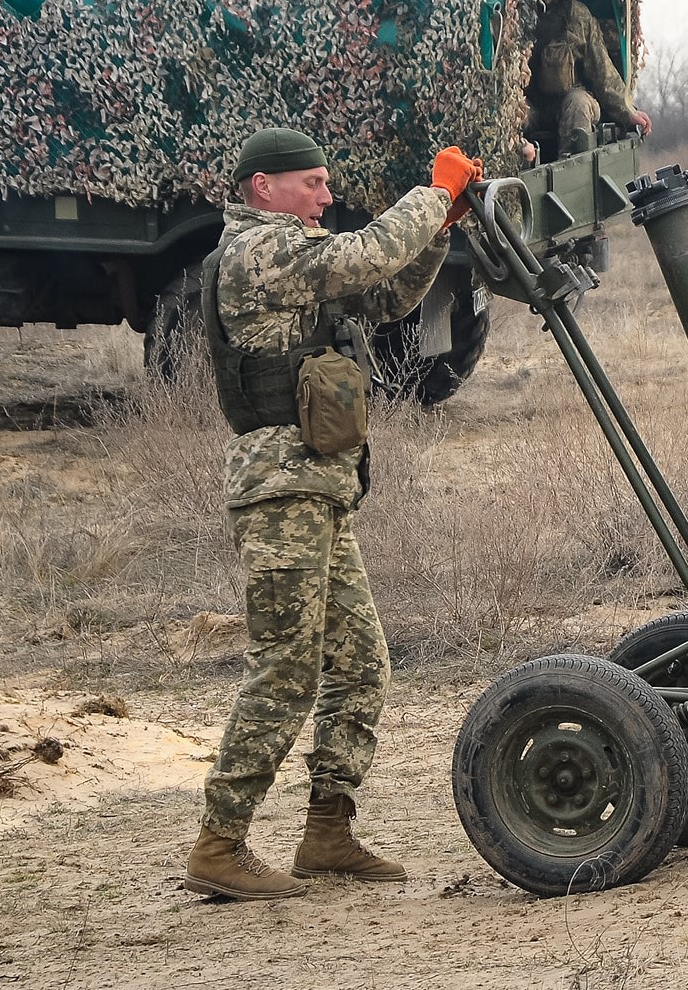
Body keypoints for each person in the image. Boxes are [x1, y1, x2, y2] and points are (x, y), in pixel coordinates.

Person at [181, 128, 482, 901]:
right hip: (282, 489)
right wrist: (435, 193)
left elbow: (383, 293)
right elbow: (360, 257)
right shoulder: (258, 251)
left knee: (360, 665)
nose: (325, 197)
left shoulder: (294, 254)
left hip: (318, 485)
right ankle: (220, 844)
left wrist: (437, 233)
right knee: (284, 666)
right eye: (311, 184)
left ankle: (327, 833)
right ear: (262, 190)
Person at [525, 0, 650, 161]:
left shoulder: (577, 16)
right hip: (531, 104)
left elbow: (602, 70)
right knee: (513, 115)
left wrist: (627, 111)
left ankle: (571, 174)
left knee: (579, 104)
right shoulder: (518, 13)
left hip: (568, 99)